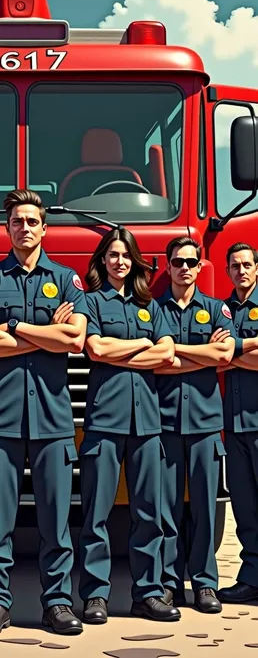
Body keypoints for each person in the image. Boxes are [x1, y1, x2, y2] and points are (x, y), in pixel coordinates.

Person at [0, 189, 88, 637]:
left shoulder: (69, 278)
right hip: (0, 416)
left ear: (44, 228)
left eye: (32, 221)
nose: (25, 227)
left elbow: (74, 342)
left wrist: (13, 326)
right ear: (8, 228)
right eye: (17, 221)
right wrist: (45, 331)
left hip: (53, 418)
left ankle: (57, 603)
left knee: (56, 520)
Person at [79, 227, 178, 623]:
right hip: (105, 419)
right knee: (97, 512)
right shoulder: (90, 303)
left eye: (125, 255)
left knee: (149, 512)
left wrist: (123, 351)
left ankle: (148, 593)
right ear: (102, 261)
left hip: (147, 422)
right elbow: (96, 348)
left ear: (134, 261)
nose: (119, 261)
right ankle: (95, 596)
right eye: (112, 255)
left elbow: (167, 354)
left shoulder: (149, 305)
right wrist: (142, 345)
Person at [155, 237, 235, 614]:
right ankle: (169, 584)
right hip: (164, 421)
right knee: (166, 508)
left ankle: (204, 584)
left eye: (191, 261)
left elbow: (225, 353)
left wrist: (176, 350)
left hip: (205, 424)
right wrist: (200, 355)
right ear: (167, 267)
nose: (184, 268)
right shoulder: (152, 310)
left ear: (200, 267)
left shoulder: (217, 309)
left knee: (204, 508)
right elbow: (155, 361)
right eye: (177, 262)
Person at [217, 243, 258, 604]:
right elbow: (216, 359)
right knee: (244, 506)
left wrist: (235, 350)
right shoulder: (223, 311)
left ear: (256, 269)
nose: (240, 271)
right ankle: (252, 578)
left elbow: (226, 354)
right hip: (235, 424)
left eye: (246, 264)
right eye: (234, 265)